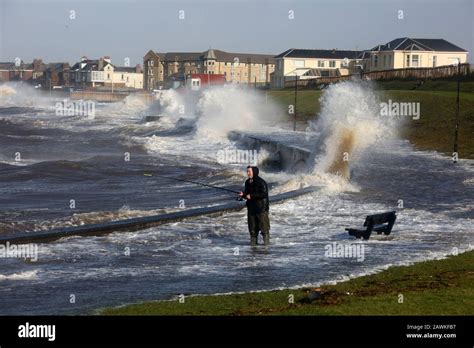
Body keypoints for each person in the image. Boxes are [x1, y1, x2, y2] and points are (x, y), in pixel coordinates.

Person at [239, 166, 270, 245]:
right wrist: (243, 195)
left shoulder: (261, 182)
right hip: (251, 209)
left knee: (264, 229)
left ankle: (266, 248)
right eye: (247, 171)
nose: (248, 173)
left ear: (254, 172)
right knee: (252, 230)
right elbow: (247, 194)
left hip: (261, 209)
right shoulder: (247, 182)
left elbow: (264, 194)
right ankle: (253, 249)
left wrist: (252, 196)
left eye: (249, 171)